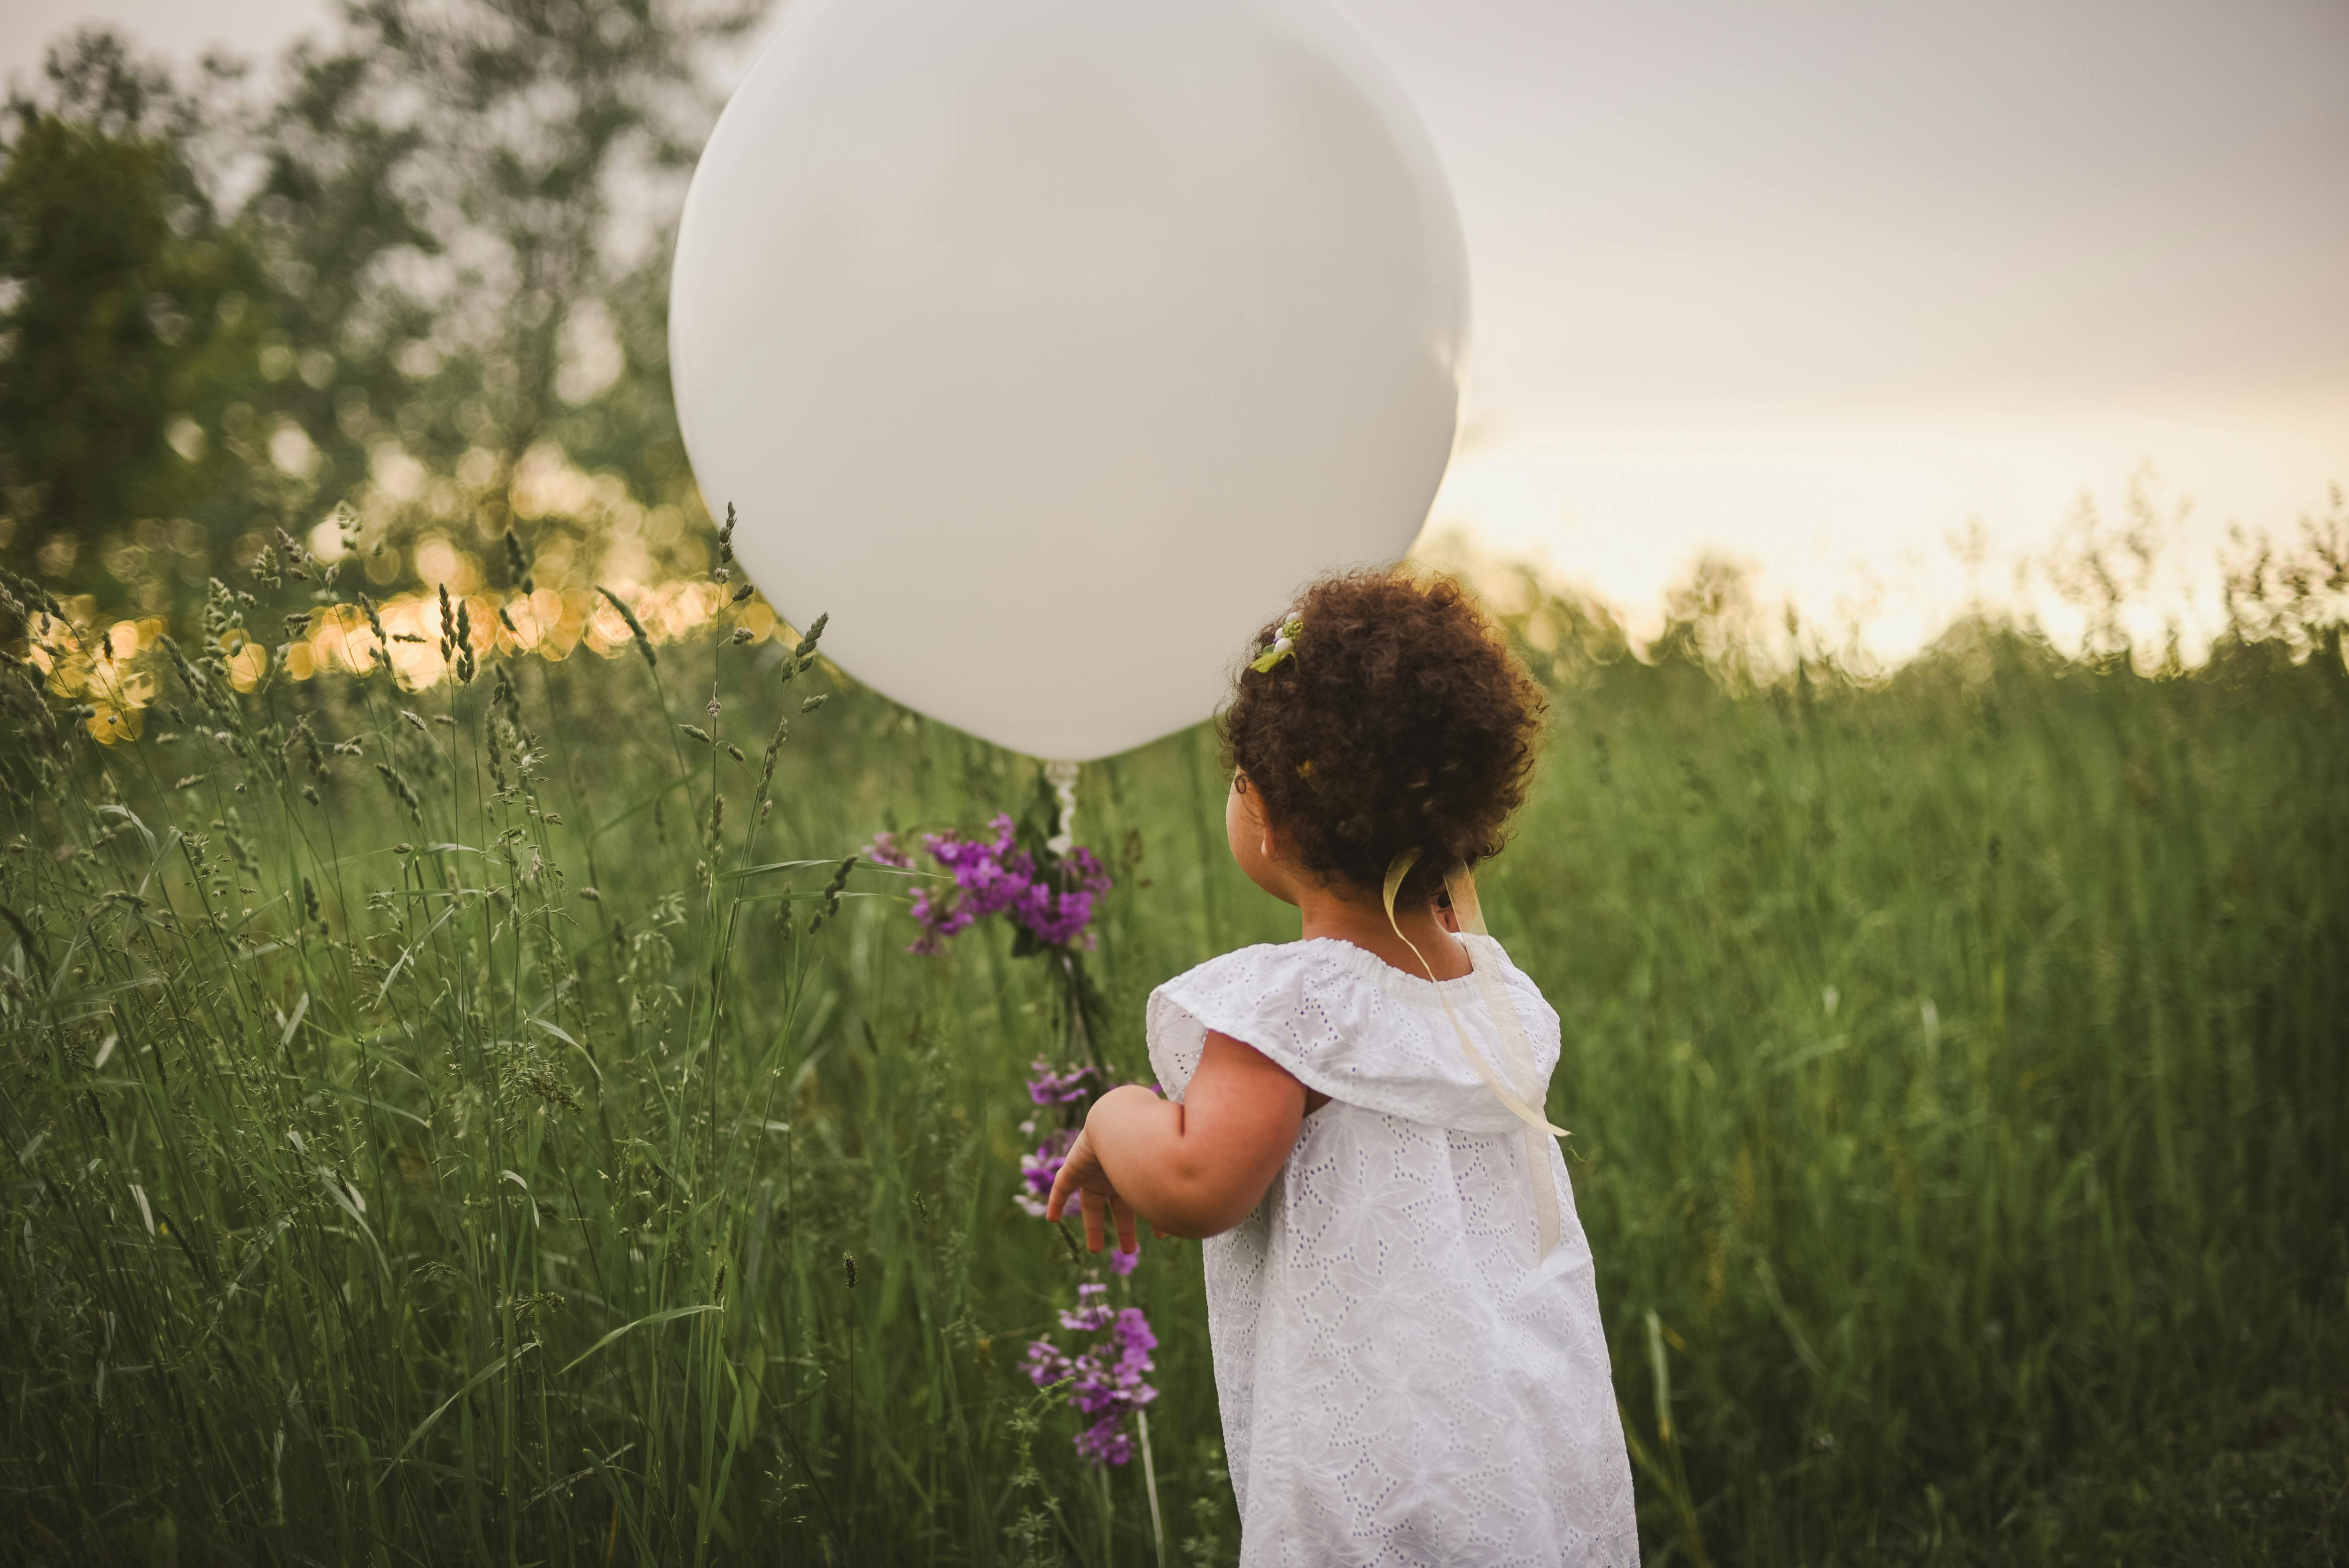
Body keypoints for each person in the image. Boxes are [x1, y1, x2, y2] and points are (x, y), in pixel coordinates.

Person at [1046, 567, 1641, 1566]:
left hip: (1379, 1470)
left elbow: (1196, 1181)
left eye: (1240, 781)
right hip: (1520, 1435)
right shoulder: (1491, 993)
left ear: (1267, 813)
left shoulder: (1297, 1011)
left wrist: (1113, 1116)